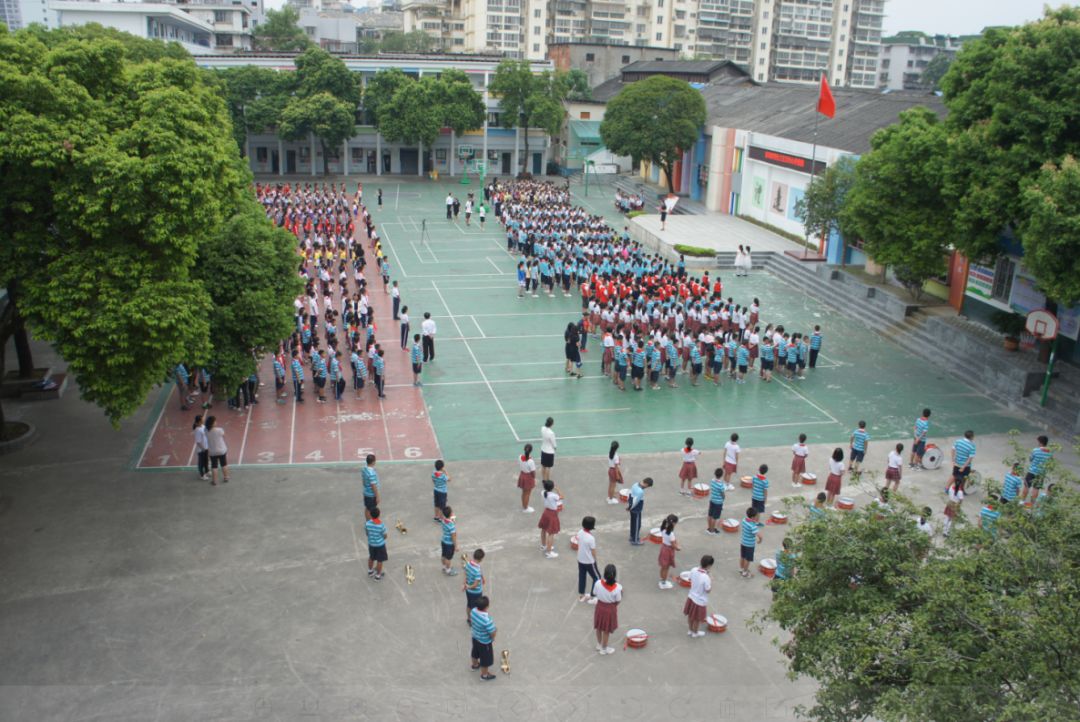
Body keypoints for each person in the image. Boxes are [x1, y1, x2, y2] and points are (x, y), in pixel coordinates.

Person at [593, 564, 622, 655]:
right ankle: (604, 649)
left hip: (599, 607)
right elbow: (618, 600)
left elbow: (594, 593)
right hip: (609, 610)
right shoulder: (617, 588)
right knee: (606, 630)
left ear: (605, 573)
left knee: (599, 627)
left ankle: (599, 644)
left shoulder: (598, 583)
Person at [684, 555, 713, 638]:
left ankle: (690, 630)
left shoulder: (693, 569)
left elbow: (689, 579)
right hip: (700, 600)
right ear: (709, 566)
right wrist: (711, 580)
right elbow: (708, 590)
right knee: (697, 618)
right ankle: (695, 632)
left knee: (690, 615)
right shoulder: (706, 577)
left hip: (691, 597)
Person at [469, 596, 498, 681]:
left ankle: (474, 666)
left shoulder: (473, 611)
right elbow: (492, 632)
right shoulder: (487, 620)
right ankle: (484, 675)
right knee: (485, 659)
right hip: (484, 642)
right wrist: (493, 637)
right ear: (487, 607)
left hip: (475, 637)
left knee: (475, 652)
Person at [1021, 435, 1053, 502]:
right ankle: (1032, 504)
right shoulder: (1050, 452)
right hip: (1041, 473)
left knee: (1026, 486)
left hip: (1032, 471)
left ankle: (1022, 501)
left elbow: (1031, 459)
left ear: (1040, 442)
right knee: (1036, 488)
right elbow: (1050, 462)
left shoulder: (1035, 450)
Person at [576, 516, 600, 604]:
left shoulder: (580, 532)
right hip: (589, 561)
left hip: (580, 559)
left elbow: (578, 541)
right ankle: (593, 596)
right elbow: (593, 551)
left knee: (582, 576)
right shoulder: (591, 538)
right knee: (597, 577)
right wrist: (595, 559)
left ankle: (582, 595)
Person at [538, 480, 562, 559]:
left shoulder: (543, 492)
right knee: (551, 533)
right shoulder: (553, 495)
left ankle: (543, 545)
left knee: (544, 529)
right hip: (552, 514)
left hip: (546, 512)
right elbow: (562, 496)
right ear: (552, 487)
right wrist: (557, 489)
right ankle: (549, 552)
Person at [626, 477, 653, 545]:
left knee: (633, 523)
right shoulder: (640, 491)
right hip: (636, 509)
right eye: (648, 486)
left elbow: (629, 493)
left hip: (632, 507)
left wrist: (629, 505)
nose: (647, 488)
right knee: (637, 525)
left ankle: (632, 536)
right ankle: (635, 540)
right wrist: (630, 508)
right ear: (646, 484)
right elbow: (635, 502)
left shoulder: (635, 484)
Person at [657, 514, 681, 590]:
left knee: (663, 567)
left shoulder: (663, 529)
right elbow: (673, 545)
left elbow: (673, 541)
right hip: (668, 551)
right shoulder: (671, 534)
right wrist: (678, 548)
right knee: (666, 568)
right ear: (673, 523)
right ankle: (663, 583)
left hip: (663, 548)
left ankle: (662, 580)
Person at [738, 507, 763, 578]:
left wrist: (753, 521)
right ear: (753, 517)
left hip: (743, 542)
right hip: (750, 545)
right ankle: (745, 572)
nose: (757, 517)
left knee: (742, 556)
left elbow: (750, 522)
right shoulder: (753, 526)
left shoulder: (744, 520)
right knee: (748, 559)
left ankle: (741, 568)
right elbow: (760, 536)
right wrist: (760, 540)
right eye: (756, 516)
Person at [463, 549, 486, 624]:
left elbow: (466, 573)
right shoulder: (477, 570)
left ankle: (469, 619)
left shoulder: (469, 563)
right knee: (476, 608)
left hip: (468, 592)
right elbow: (475, 585)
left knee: (469, 605)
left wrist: (465, 584)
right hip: (476, 592)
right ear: (481, 559)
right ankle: (474, 621)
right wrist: (468, 586)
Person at [205, 415, 229, 485]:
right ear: (212, 423)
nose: (216, 422)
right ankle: (226, 477)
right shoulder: (219, 430)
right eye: (215, 421)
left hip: (212, 451)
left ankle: (214, 481)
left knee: (214, 466)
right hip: (221, 450)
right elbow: (224, 436)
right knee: (224, 464)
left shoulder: (206, 431)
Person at [365, 505, 388, 580]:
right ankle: (378, 576)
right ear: (379, 514)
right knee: (380, 560)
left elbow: (367, 533)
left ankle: (370, 571)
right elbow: (385, 536)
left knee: (371, 557)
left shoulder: (367, 523)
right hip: (380, 545)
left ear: (370, 515)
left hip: (371, 544)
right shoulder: (381, 525)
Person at [706, 468, 726, 535]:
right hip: (718, 502)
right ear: (721, 475)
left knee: (710, 515)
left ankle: (709, 528)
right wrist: (723, 498)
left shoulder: (712, 481)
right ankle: (712, 530)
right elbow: (723, 494)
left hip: (712, 500)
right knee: (715, 517)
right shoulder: (721, 485)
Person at [517, 443, 537, 513]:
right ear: (531, 451)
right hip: (528, 477)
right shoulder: (531, 461)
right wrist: (534, 478)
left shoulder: (520, 457)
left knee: (524, 492)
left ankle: (524, 506)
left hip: (522, 475)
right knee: (527, 493)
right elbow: (533, 472)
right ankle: (526, 508)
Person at [440, 506, 459, 576]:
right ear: (451, 514)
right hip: (449, 544)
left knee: (443, 555)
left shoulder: (443, 520)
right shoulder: (451, 525)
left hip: (443, 541)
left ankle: (444, 567)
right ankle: (448, 570)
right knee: (448, 558)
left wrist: (450, 517)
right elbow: (453, 536)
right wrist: (456, 546)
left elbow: (444, 516)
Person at [361, 454, 380, 520]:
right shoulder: (371, 473)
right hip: (371, 495)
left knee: (367, 508)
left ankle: (367, 522)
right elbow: (373, 485)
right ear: (373, 462)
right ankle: (370, 524)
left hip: (366, 493)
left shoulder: (364, 469)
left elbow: (363, 481)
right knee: (371, 510)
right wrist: (377, 496)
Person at [192, 415, 210, 481]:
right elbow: (198, 442)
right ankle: (202, 475)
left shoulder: (203, 426)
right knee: (201, 463)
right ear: (199, 421)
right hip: (202, 449)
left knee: (206, 461)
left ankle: (207, 471)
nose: (203, 419)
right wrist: (203, 449)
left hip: (206, 447)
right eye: (202, 419)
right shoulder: (197, 430)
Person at [606, 440, 623, 505]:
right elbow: (616, 467)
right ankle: (611, 500)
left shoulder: (610, 453)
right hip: (614, 471)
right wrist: (617, 475)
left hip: (610, 470)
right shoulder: (615, 456)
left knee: (611, 485)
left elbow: (614, 462)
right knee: (613, 486)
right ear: (617, 447)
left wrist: (618, 460)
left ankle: (610, 496)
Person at [540, 417, 557, 482]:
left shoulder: (542, 428)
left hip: (543, 449)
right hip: (549, 452)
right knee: (548, 467)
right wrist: (555, 448)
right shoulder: (551, 433)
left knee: (543, 466)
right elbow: (553, 443)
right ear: (552, 424)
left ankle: (543, 479)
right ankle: (548, 480)